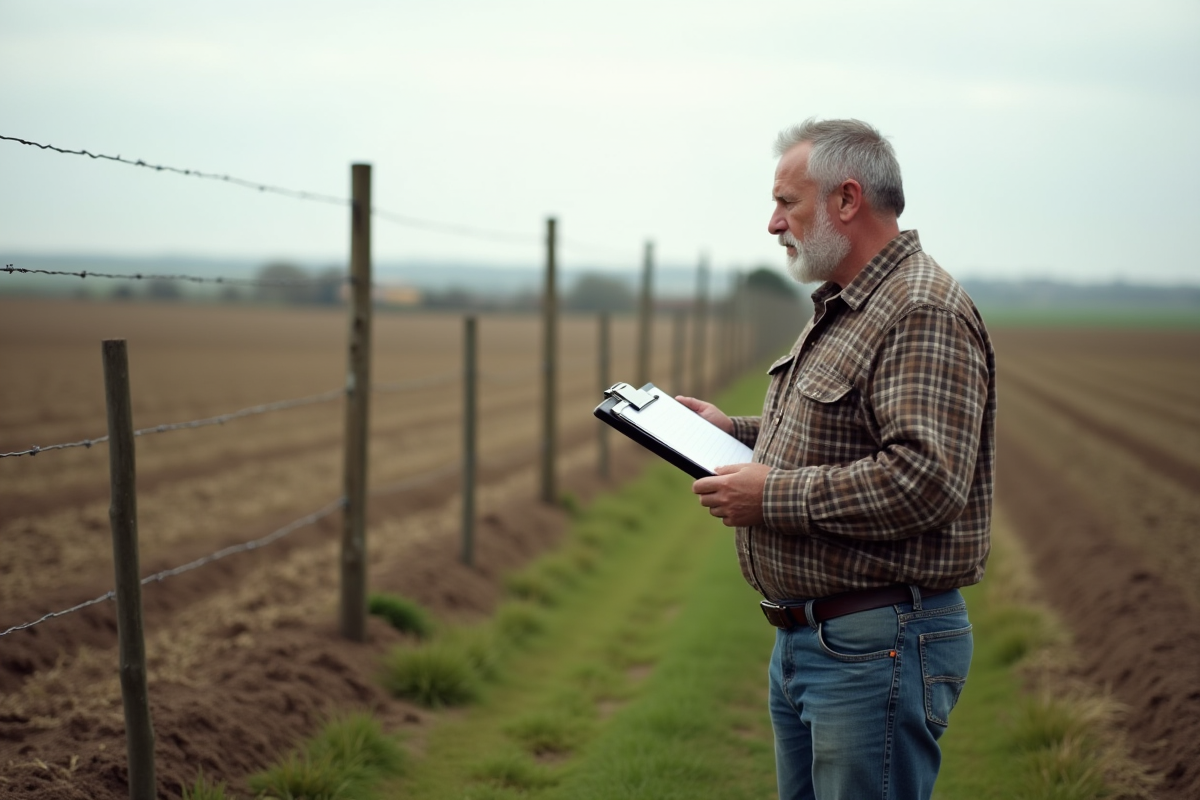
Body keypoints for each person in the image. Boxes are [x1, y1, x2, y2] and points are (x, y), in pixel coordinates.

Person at [677, 118, 997, 800]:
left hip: (874, 646)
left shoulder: (917, 309)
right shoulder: (852, 306)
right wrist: (727, 430)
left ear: (846, 201)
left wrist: (770, 496)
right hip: (818, 641)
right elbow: (832, 430)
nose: (772, 224)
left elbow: (925, 479)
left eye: (786, 202)